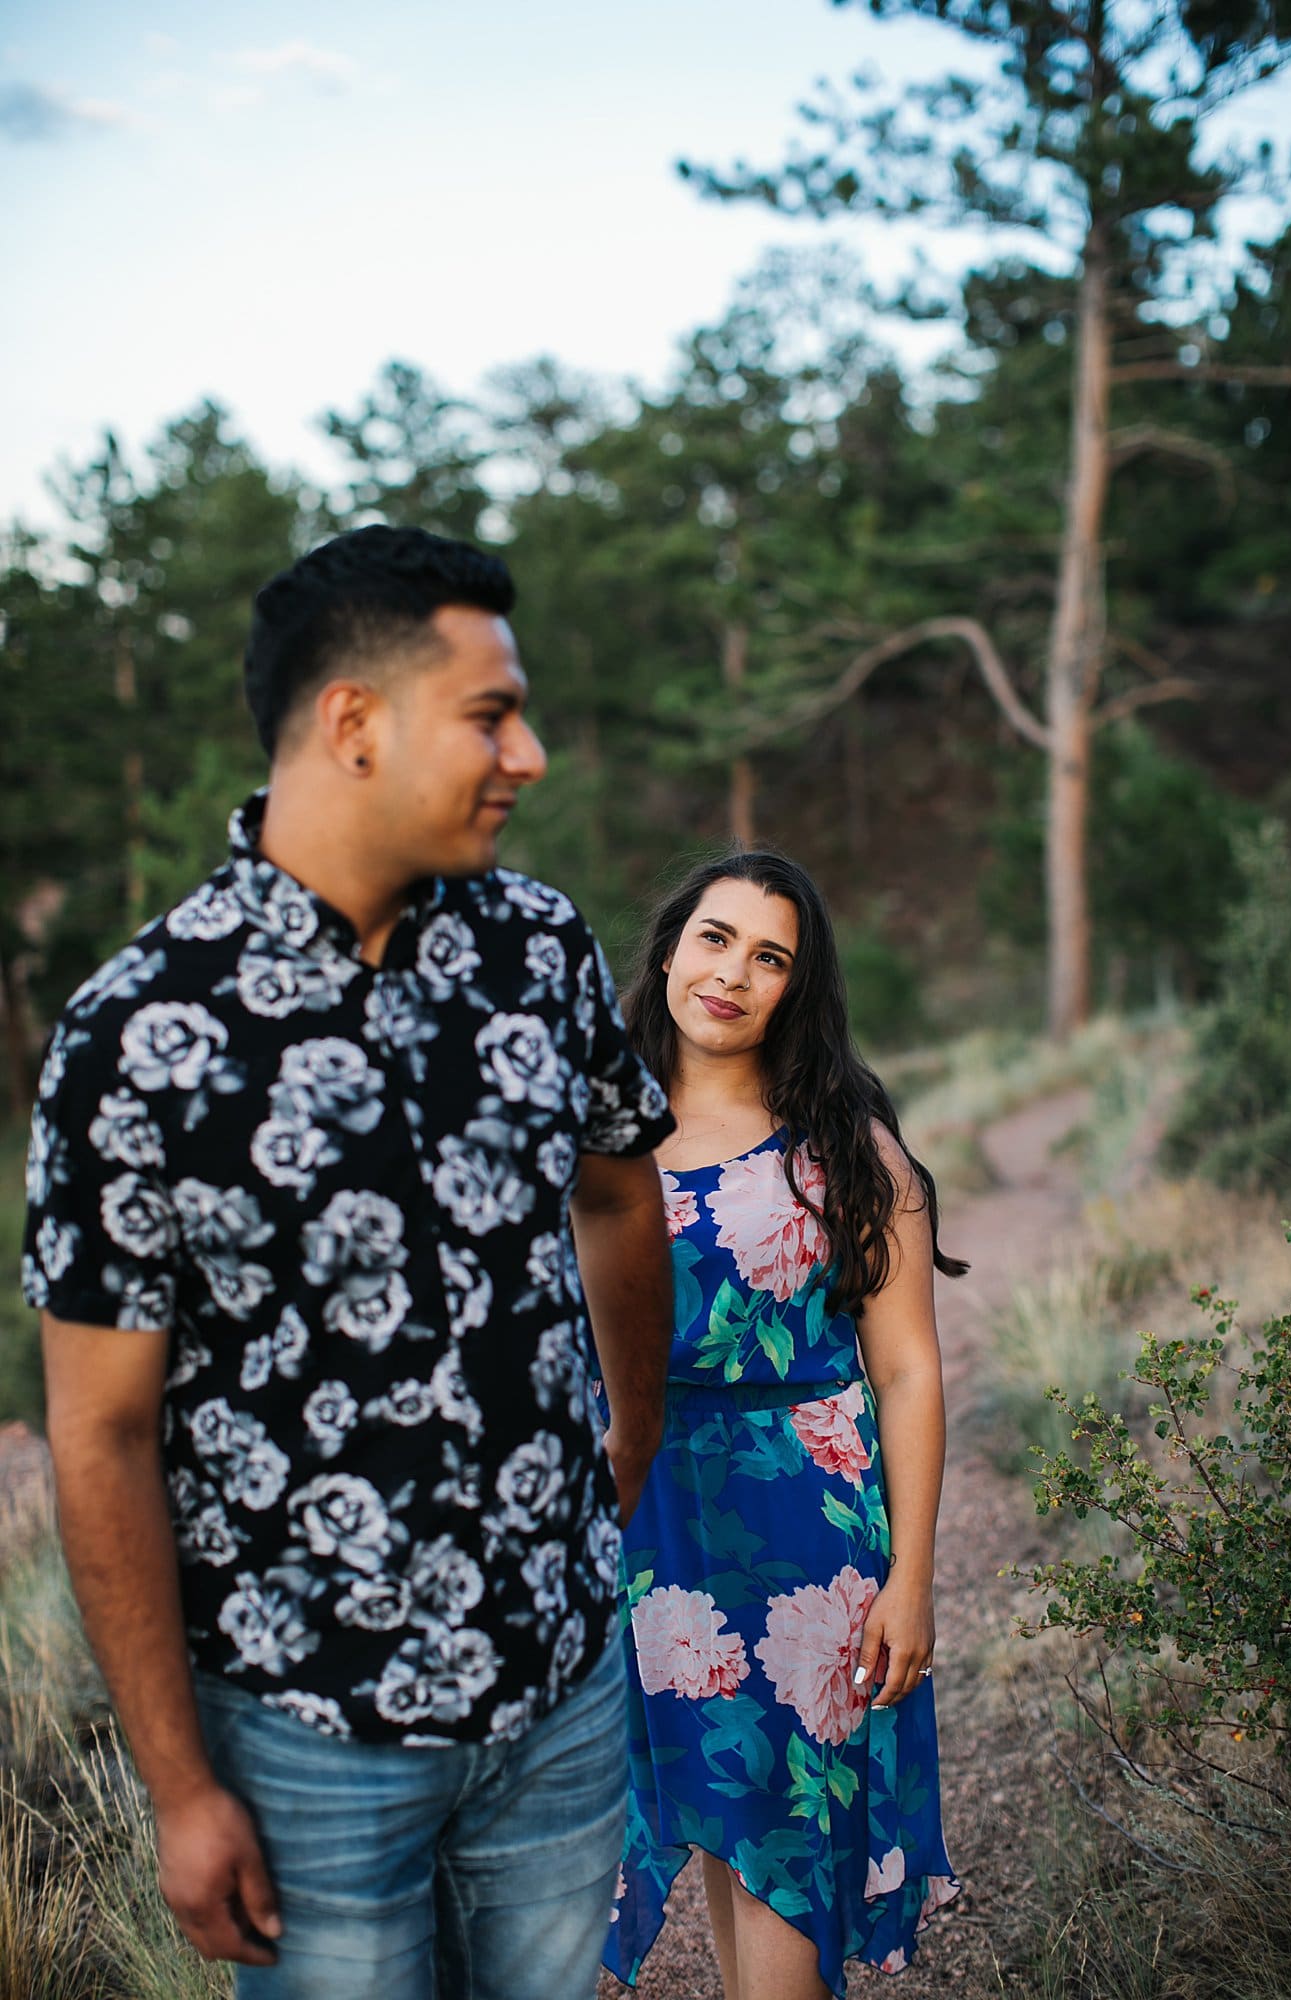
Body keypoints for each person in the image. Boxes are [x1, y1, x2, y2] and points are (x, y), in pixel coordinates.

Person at [22, 525, 676, 2000]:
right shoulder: (137, 1032)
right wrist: (183, 1789)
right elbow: (100, 1428)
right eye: (494, 716)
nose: (534, 756)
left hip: (560, 1688)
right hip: (308, 1737)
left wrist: (627, 1443)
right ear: (354, 723)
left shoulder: (538, 948)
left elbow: (622, 1199)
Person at [599, 851, 964, 2000]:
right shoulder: (586, 1127)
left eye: (769, 957)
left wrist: (911, 1575)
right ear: (667, 947)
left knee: (784, 1856)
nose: (731, 973)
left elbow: (905, 1369)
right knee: (723, 1826)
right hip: (641, 1525)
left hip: (802, 1537)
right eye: (713, 938)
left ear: (795, 991)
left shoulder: (845, 1150)